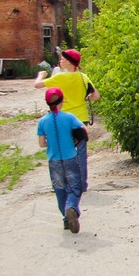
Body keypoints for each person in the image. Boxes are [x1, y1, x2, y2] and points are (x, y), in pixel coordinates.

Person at [34, 49, 99, 191]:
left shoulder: (60, 78)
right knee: (81, 153)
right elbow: (96, 96)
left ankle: (64, 184)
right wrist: (83, 99)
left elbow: (37, 85)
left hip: (63, 120)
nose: (60, 61)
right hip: (81, 120)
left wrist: (41, 75)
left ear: (70, 62)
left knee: (62, 151)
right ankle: (82, 184)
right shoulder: (83, 77)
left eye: (63, 59)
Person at [37, 87, 86, 233]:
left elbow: (41, 144)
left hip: (54, 162)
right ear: (62, 100)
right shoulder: (69, 117)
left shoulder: (42, 121)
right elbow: (84, 130)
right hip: (70, 159)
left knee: (59, 189)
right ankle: (71, 208)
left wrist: (50, 142)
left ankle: (66, 219)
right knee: (75, 187)